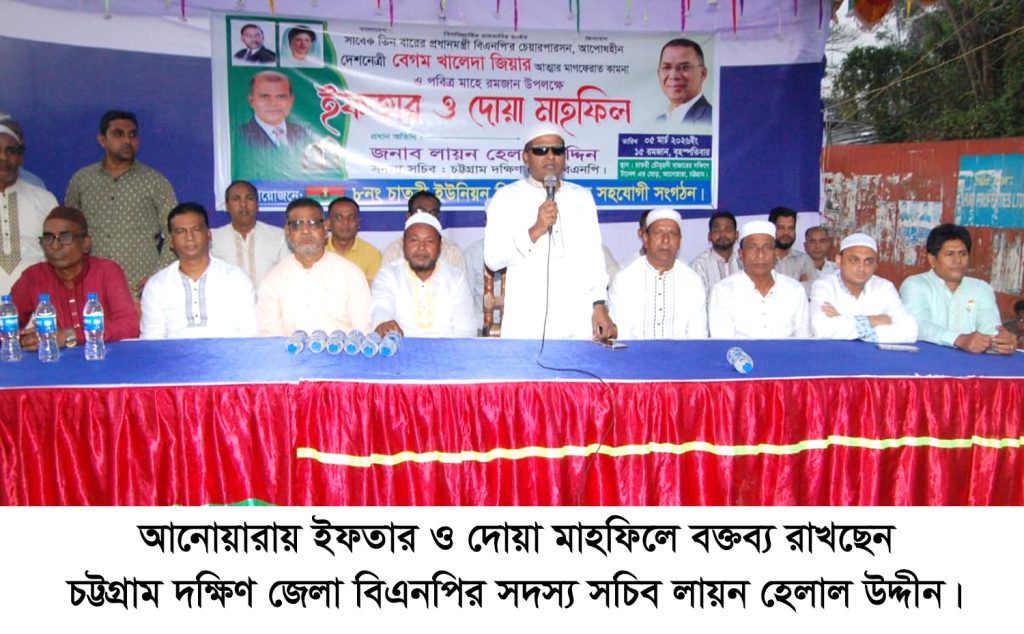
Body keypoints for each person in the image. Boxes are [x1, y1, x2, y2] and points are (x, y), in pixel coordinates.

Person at [484, 123, 614, 340]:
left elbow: (594, 259)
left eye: (558, 150)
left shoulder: (582, 197)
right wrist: (535, 230)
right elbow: (493, 260)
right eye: (541, 150)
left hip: (576, 319)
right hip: (527, 322)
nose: (550, 156)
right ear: (525, 157)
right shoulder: (506, 198)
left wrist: (599, 305)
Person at [65, 110, 178, 294]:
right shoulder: (82, 180)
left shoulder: (155, 182)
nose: (127, 140)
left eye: (132, 135)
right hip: (92, 288)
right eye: (118, 134)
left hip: (139, 288)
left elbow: (175, 233)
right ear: (102, 140)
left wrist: (157, 276)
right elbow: (69, 234)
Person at [11, 206, 137, 351]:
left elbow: (129, 326)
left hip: (106, 359)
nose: (55, 246)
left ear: (85, 244)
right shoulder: (33, 277)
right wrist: (24, 339)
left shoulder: (107, 271)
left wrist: (69, 336)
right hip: (55, 363)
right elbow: (6, 326)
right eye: (48, 238)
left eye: (65, 237)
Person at [256, 197, 371, 335]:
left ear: (326, 227)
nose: (305, 231)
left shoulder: (351, 275)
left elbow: (364, 332)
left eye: (313, 223)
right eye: (297, 224)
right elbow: (268, 337)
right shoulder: (273, 281)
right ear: (287, 231)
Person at [140, 203, 256, 339]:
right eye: (181, 231)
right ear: (171, 241)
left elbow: (249, 336)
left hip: (227, 352)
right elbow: (152, 341)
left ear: (209, 235)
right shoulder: (157, 285)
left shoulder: (236, 279)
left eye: (196, 230)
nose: (189, 237)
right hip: (174, 353)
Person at [900, 223, 1015, 354]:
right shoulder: (915, 284)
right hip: (925, 359)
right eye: (950, 254)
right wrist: (959, 340)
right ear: (932, 259)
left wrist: (1002, 342)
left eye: (963, 254)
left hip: (971, 363)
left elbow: (991, 329)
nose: (958, 260)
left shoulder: (981, 288)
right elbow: (918, 326)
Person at [371, 212, 475, 338]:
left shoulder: (455, 278)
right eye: (414, 240)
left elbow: (465, 329)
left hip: (448, 347)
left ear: (440, 245)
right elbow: (381, 307)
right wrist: (383, 323)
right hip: (401, 346)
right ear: (403, 244)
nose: (421, 247)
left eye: (429, 241)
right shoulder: (388, 275)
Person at [609, 208, 707, 339]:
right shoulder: (625, 280)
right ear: (645, 239)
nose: (666, 240)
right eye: (659, 233)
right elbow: (622, 335)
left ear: (679, 241)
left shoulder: (692, 282)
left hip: (681, 352)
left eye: (672, 234)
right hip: (635, 352)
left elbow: (698, 336)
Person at [708, 220, 810, 338]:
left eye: (767, 247)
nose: (760, 254)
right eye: (752, 247)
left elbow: (803, 340)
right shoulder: (723, 291)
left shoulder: (795, 290)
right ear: (741, 254)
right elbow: (723, 344)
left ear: (775, 253)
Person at [810, 232, 917, 343]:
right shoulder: (824, 286)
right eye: (853, 260)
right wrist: (875, 320)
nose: (861, 268)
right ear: (839, 261)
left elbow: (910, 331)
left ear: (876, 265)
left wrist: (842, 320)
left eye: (868, 262)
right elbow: (821, 329)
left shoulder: (884, 287)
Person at [0, 116, 58, 295]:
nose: (3, 157)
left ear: (21, 158)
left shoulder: (44, 200)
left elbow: (60, 253)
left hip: (36, 303)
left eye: (11, 151)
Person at [210, 180, 289, 286]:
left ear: (257, 204)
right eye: (236, 199)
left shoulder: (279, 237)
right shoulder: (213, 240)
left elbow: (287, 278)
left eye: (250, 199)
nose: (243, 205)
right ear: (227, 206)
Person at [380, 190, 467, 275]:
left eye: (433, 213)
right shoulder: (393, 252)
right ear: (409, 216)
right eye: (421, 212)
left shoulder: (452, 251)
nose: (427, 217)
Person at [238, 71, 312, 149]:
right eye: (265, 96)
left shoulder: (304, 134)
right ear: (251, 101)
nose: (273, 103)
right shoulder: (239, 135)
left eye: (280, 97)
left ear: (291, 101)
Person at [325, 196, 381, 284]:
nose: (345, 222)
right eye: (339, 217)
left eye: (351, 217)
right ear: (328, 223)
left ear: (358, 223)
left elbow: (370, 289)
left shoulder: (372, 254)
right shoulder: (317, 250)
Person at [655, 38, 712, 125]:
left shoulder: (712, 119)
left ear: (703, 73)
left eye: (685, 67)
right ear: (658, 73)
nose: (673, 76)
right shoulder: (659, 121)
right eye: (666, 67)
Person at [689, 210, 741, 303]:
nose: (723, 234)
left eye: (728, 230)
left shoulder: (744, 262)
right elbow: (695, 304)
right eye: (717, 230)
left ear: (736, 235)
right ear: (709, 236)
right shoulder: (698, 266)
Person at [768, 206, 817, 290]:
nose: (786, 233)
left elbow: (813, 291)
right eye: (781, 228)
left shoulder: (804, 260)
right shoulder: (761, 260)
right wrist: (798, 285)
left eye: (791, 228)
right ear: (771, 229)